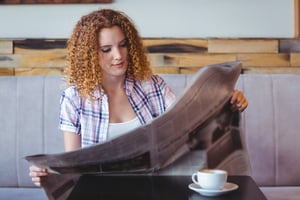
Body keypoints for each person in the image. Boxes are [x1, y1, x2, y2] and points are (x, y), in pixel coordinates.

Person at [29, 8, 248, 187]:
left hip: (152, 190)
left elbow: (193, 125)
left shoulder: (152, 86)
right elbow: (73, 167)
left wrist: (226, 102)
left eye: (123, 45)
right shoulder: (73, 99)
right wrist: (47, 175)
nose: (118, 55)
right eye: (106, 49)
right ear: (89, 56)